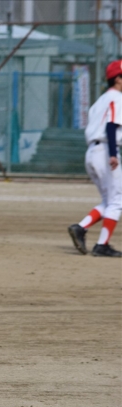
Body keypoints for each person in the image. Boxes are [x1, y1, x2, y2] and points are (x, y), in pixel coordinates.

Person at [68, 60, 122, 258]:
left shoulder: (100, 101)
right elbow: (111, 126)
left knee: (109, 200)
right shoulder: (117, 98)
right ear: (118, 79)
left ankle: (81, 227)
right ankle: (102, 245)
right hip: (106, 150)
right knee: (118, 200)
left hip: (92, 151)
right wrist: (113, 154)